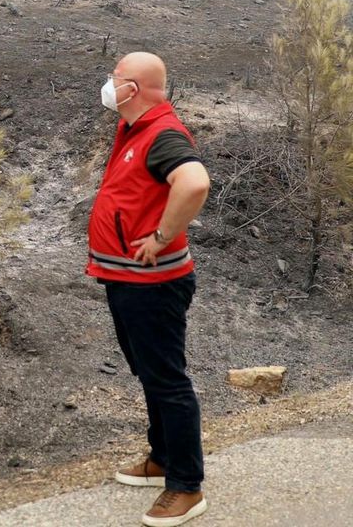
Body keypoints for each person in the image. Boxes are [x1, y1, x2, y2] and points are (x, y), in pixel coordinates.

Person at [87, 52, 211, 527]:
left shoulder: (161, 133)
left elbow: (195, 183)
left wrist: (160, 237)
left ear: (132, 89)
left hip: (154, 285)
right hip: (128, 280)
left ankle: (186, 486)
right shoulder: (135, 128)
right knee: (150, 373)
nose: (108, 85)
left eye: (115, 78)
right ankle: (162, 458)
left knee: (168, 380)